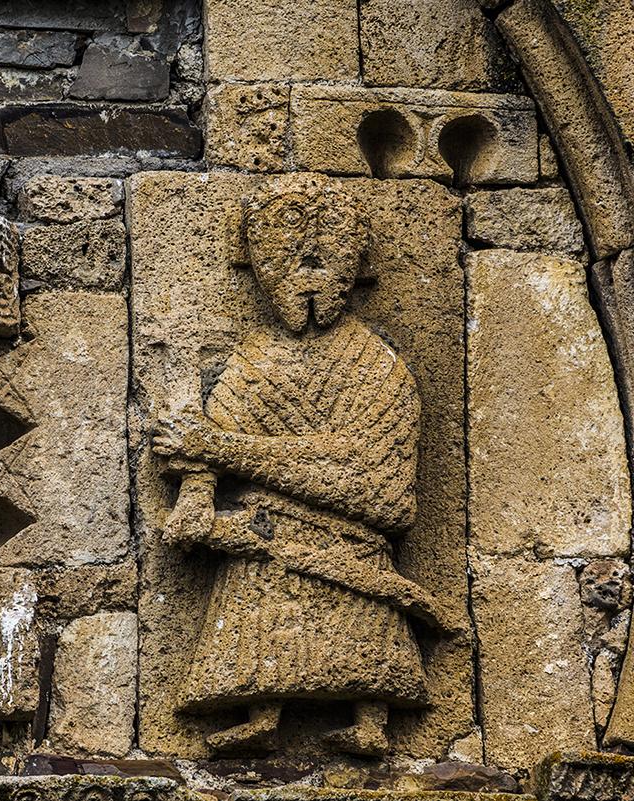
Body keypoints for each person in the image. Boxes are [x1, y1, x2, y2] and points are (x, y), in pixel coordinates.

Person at [153, 175, 442, 756]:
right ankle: (262, 714)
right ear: (254, 262)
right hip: (262, 539)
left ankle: (371, 720)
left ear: (357, 266)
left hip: (351, 546)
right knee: (260, 620)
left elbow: (382, 488)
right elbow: (204, 445)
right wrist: (196, 496)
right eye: (285, 253)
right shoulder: (251, 362)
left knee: (362, 628)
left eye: (326, 251)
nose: (307, 267)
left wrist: (225, 450)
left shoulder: (378, 366)